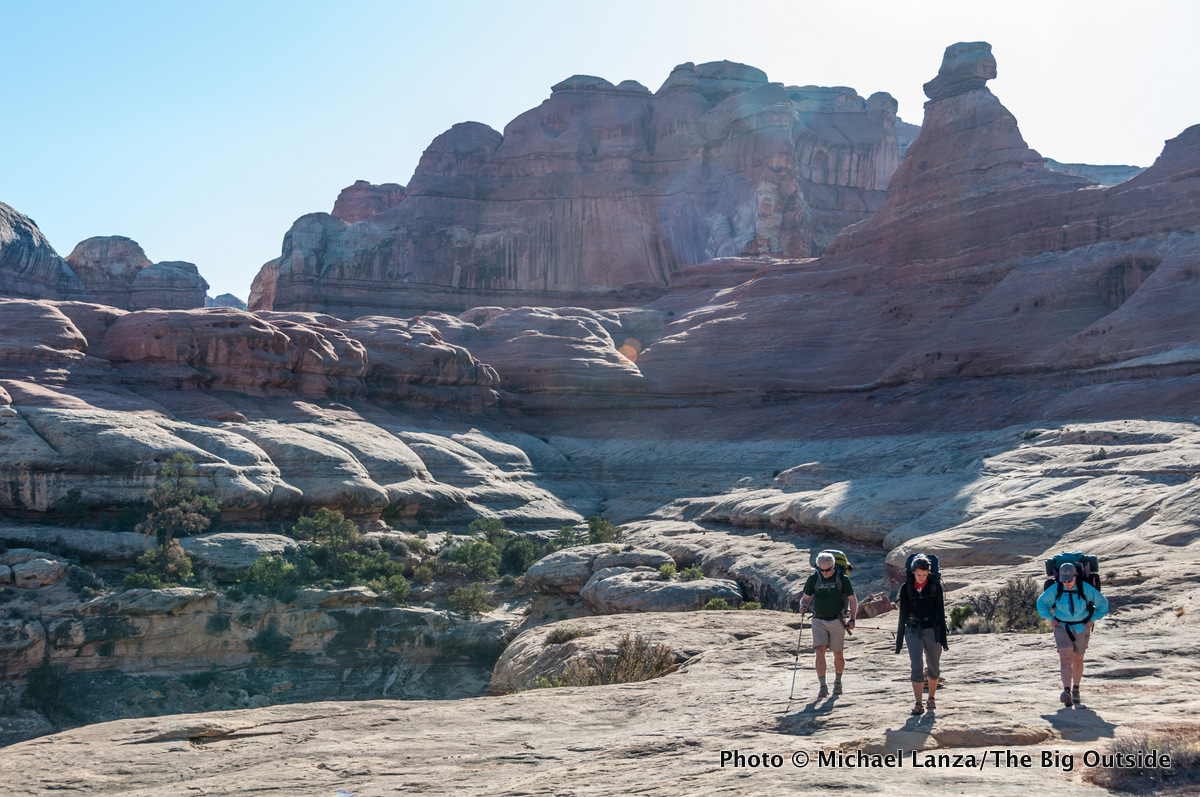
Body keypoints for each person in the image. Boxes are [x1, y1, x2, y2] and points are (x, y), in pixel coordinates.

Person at [1036, 562, 1109, 707]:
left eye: (1069, 580)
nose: (1067, 583)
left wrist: (1093, 619)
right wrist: (1050, 618)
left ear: (1075, 576)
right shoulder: (1056, 589)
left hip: (1082, 627)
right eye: (1064, 581)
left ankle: (1076, 689)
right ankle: (1066, 691)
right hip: (1062, 627)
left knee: (1078, 659)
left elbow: (1103, 604)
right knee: (1065, 657)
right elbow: (1041, 603)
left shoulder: (1084, 588)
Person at [797, 552, 857, 698]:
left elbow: (853, 599)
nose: (824, 573)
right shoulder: (813, 579)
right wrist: (803, 606)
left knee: (837, 653)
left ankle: (837, 681)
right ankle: (822, 686)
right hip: (818, 619)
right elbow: (805, 598)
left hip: (837, 619)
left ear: (834, 566)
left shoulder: (842, 579)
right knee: (820, 651)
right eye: (822, 570)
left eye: (827, 570)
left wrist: (853, 619)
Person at [894, 555, 948, 715]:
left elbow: (940, 611)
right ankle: (918, 703)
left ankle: (931, 697)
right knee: (916, 666)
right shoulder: (907, 588)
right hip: (913, 630)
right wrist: (898, 643)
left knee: (933, 667)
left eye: (924, 575)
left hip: (933, 629)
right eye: (919, 575)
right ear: (913, 572)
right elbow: (902, 614)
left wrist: (944, 640)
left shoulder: (935, 586)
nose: (921, 578)